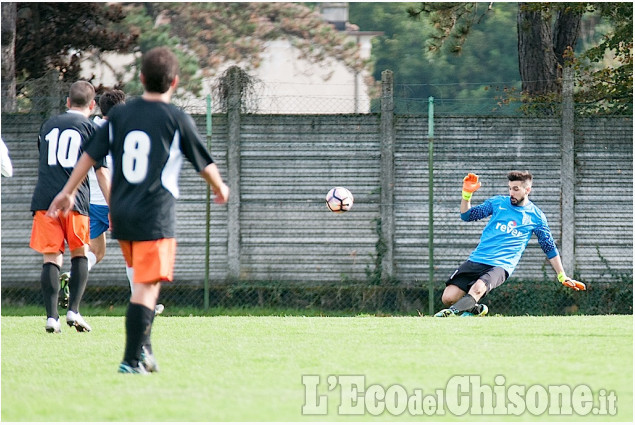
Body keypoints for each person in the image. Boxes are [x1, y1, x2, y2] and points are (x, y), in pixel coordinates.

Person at [47, 47, 230, 373]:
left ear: (142, 78)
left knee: (143, 286)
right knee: (146, 289)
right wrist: (220, 188)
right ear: (174, 81)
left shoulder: (119, 116)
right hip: (153, 213)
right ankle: (132, 360)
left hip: (123, 211)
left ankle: (144, 352)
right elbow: (204, 162)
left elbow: (90, 155)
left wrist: (67, 190)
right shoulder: (176, 117)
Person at [434, 171, 586, 317]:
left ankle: (450, 313)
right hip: (477, 259)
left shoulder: (536, 216)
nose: (511, 193)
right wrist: (466, 195)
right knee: (448, 298)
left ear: (527, 190)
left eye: (516, 189)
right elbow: (467, 216)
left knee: (478, 288)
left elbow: (549, 248)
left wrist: (562, 275)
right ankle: (476, 309)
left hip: (501, 265)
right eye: (509, 188)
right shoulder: (497, 203)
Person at [29, 81, 108, 333]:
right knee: (79, 253)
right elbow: (102, 173)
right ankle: (73, 311)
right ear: (92, 105)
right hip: (76, 200)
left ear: (67, 102)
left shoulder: (48, 125)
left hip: (45, 201)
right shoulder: (91, 129)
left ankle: (52, 317)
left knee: (51, 257)